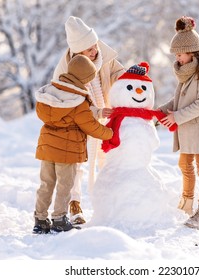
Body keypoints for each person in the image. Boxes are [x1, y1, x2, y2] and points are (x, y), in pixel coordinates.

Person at [53, 16, 125, 224]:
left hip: (104, 117)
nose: (94, 51)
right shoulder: (65, 68)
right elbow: (64, 97)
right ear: (77, 52)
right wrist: (92, 111)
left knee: (107, 159)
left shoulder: (102, 55)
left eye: (94, 46)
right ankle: (74, 203)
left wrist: (128, 76)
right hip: (79, 122)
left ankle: (107, 202)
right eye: (89, 50)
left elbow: (117, 72)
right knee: (77, 164)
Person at [33, 54, 113, 234]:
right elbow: (90, 126)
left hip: (47, 147)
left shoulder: (51, 92)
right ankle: (59, 219)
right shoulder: (78, 101)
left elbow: (72, 114)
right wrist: (110, 134)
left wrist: (97, 111)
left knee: (46, 184)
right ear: (83, 79)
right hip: (66, 152)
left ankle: (40, 219)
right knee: (64, 186)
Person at [159, 16, 199, 230]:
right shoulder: (187, 73)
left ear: (192, 52)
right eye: (175, 54)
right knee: (184, 164)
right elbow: (179, 101)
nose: (177, 58)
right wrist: (158, 113)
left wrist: (175, 117)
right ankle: (186, 203)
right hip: (189, 127)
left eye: (180, 54)